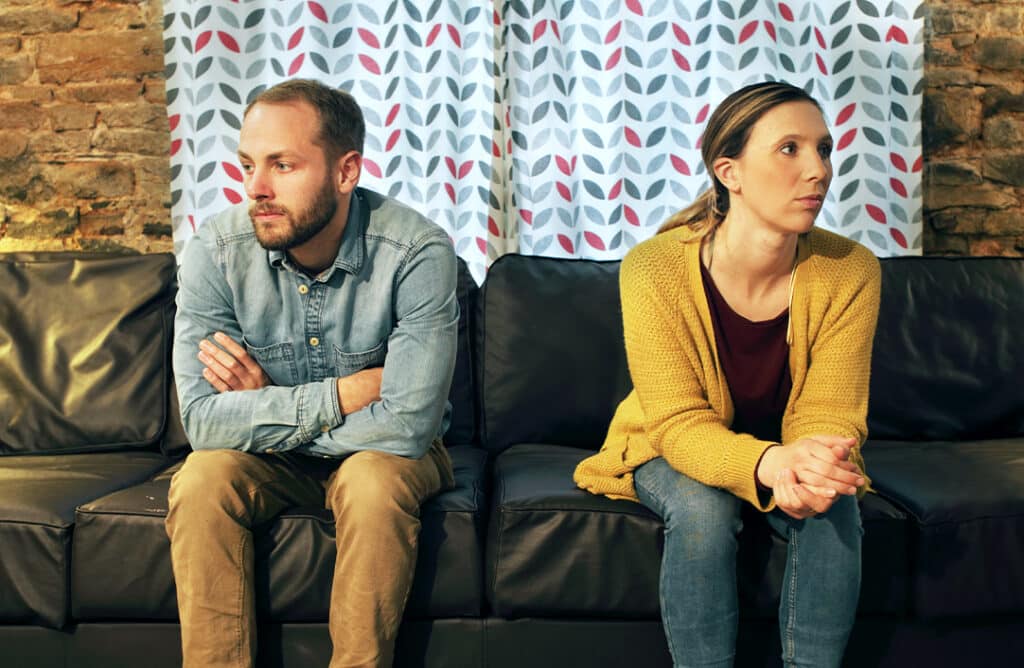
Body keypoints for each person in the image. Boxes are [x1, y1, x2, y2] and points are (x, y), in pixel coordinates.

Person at [574, 81, 881, 667]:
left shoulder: (851, 270)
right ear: (729, 171)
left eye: (824, 148)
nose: (817, 169)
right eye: (790, 149)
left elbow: (832, 411)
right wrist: (769, 464)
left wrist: (810, 463)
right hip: (669, 448)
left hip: (790, 448)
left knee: (834, 498)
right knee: (703, 508)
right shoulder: (654, 267)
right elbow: (679, 424)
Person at [166, 79, 459, 668]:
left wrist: (264, 406)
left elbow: (404, 426)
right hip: (273, 461)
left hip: (385, 455)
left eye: (283, 165)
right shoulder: (217, 250)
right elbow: (202, 422)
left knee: (373, 482)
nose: (256, 188)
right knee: (201, 480)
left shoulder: (416, 251)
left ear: (346, 171)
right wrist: (348, 392)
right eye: (248, 164)